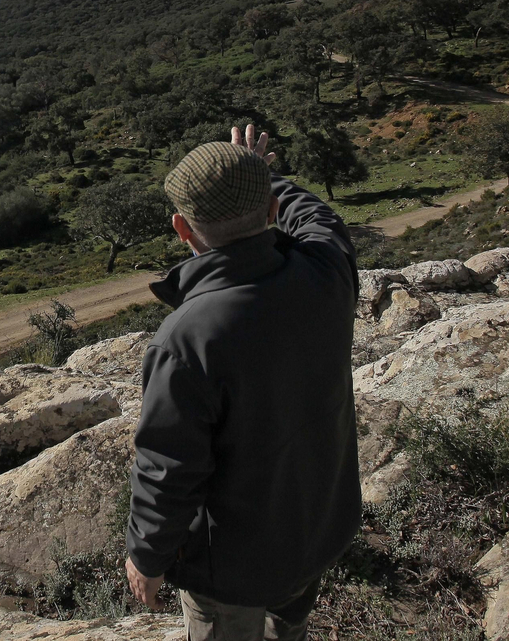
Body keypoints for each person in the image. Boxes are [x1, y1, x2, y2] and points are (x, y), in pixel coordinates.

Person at [124, 125, 360, 641]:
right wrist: (263, 176)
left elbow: (169, 466)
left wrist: (147, 553)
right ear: (274, 210)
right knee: (289, 628)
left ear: (182, 228)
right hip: (316, 528)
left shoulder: (187, 337)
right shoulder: (327, 271)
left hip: (232, 566)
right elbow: (319, 218)